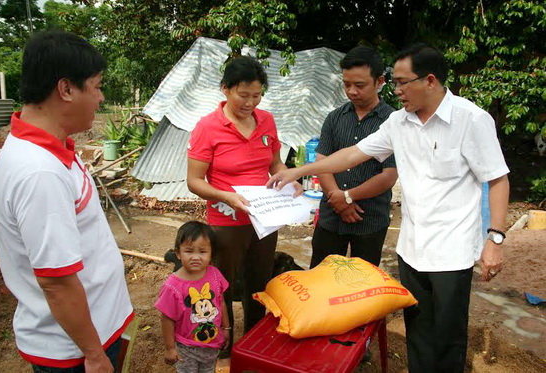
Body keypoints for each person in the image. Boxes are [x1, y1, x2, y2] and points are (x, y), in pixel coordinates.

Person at [267, 43, 510, 373]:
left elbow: (497, 179)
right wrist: (298, 171)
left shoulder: (471, 119)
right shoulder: (399, 122)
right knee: (418, 330)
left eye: (401, 82)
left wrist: (494, 239)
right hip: (411, 248)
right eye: (393, 83)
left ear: (430, 80)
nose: (396, 91)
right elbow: (354, 154)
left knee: (448, 334)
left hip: (452, 251)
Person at [0, 31, 134, 372]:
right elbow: (56, 282)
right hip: (75, 351)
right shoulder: (40, 172)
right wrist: (95, 355)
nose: (101, 98)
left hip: (92, 330)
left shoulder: (53, 148)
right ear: (66, 89)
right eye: (97, 86)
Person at [187, 56, 302, 353]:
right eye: (243, 95)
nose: (250, 102)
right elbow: (194, 181)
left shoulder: (266, 120)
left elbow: (275, 163)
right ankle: (223, 341)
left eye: (256, 95)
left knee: (259, 280)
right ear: (225, 89)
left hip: (264, 217)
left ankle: (254, 339)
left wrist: (288, 180)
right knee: (222, 282)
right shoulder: (208, 127)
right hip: (226, 220)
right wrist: (226, 197)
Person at [310, 45, 397, 269]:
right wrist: (337, 198)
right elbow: (323, 163)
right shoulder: (334, 118)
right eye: (346, 84)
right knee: (321, 279)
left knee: (362, 286)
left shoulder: (394, 122)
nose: (352, 91)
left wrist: (348, 197)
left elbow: (388, 175)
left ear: (380, 82)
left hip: (369, 218)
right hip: (331, 216)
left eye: (359, 85)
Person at [156, 221, 230, 372]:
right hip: (186, 347)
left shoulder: (215, 275)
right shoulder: (172, 287)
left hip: (212, 343)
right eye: (189, 251)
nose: (196, 257)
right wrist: (170, 348)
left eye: (202, 252)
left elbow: (220, 302)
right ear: (178, 253)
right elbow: (167, 319)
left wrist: (226, 327)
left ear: (211, 254)